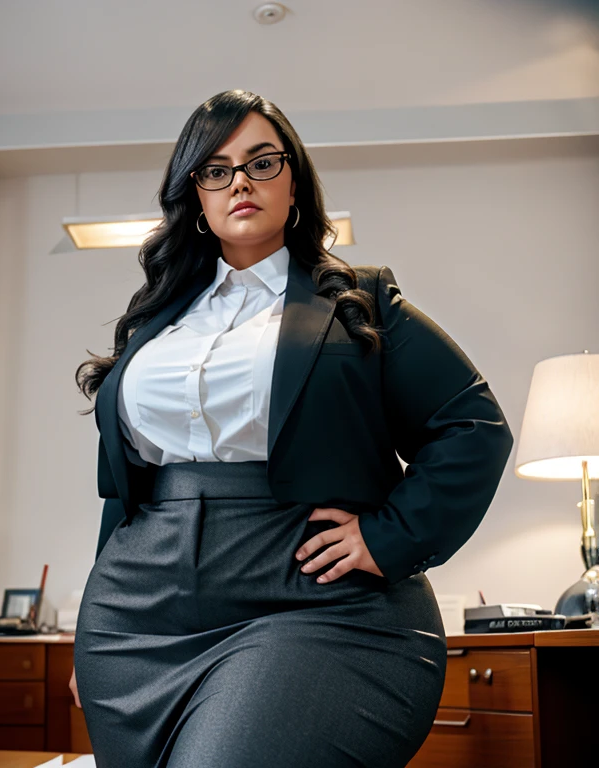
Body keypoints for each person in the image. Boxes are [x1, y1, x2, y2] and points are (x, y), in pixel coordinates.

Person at [71, 90, 513, 768]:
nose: (239, 180)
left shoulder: (361, 301)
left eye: (261, 161)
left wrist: (390, 536)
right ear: (195, 196)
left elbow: (473, 425)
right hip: (134, 622)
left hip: (311, 607)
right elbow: (126, 489)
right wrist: (88, 627)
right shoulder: (155, 323)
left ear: (296, 183)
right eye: (214, 169)